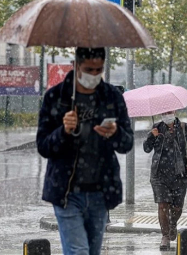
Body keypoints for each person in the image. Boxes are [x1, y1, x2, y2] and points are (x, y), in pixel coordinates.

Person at [37, 47, 133, 255]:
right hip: (66, 193)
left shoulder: (112, 97)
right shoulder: (56, 98)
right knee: (78, 251)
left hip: (100, 191)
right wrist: (63, 131)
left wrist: (115, 133)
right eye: (89, 69)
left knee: (91, 251)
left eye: (98, 70)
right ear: (76, 66)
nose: (93, 75)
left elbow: (127, 144)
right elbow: (44, 146)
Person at [143, 111, 187, 250]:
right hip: (159, 175)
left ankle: (173, 223)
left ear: (174, 112)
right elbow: (146, 148)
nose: (167, 115)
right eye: (164, 112)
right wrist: (152, 135)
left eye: (169, 112)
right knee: (162, 205)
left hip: (179, 174)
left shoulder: (184, 128)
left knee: (177, 207)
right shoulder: (156, 127)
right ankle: (165, 236)